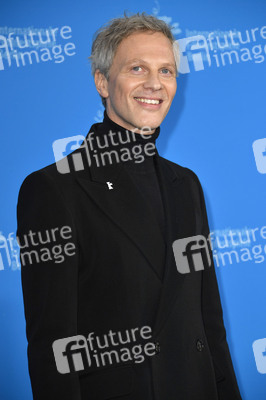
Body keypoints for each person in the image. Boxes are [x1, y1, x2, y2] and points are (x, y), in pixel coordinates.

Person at [17, 12, 242, 400]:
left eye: (167, 71)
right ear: (102, 81)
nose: (155, 84)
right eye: (137, 68)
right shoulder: (53, 189)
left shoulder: (186, 184)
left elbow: (208, 321)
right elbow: (53, 347)